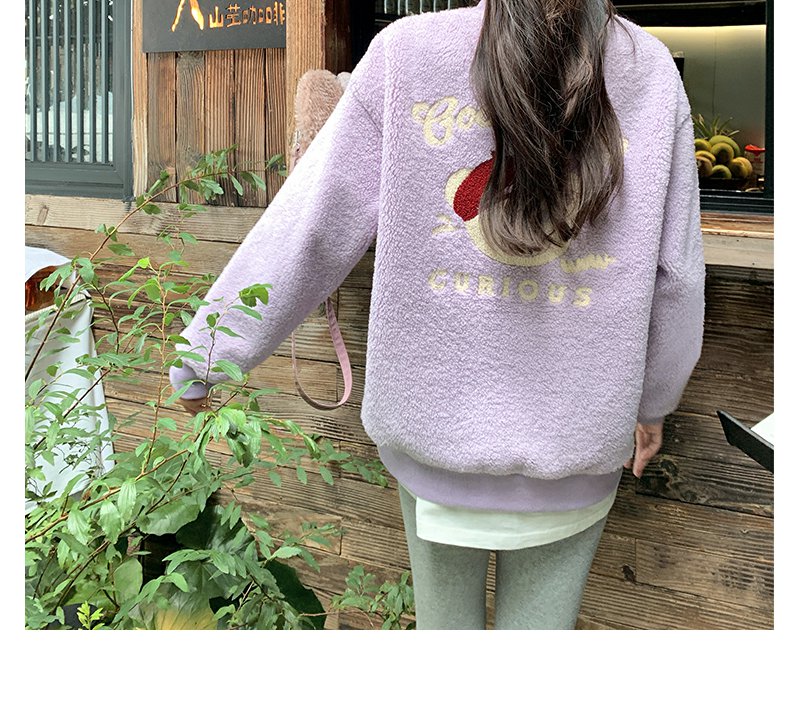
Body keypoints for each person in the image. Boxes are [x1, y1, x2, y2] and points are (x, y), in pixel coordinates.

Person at [170, 0, 705, 630]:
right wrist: (652, 404)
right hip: (577, 447)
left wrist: (207, 352)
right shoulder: (649, 69)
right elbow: (677, 277)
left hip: (435, 440)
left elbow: (312, 225)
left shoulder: (407, 55)